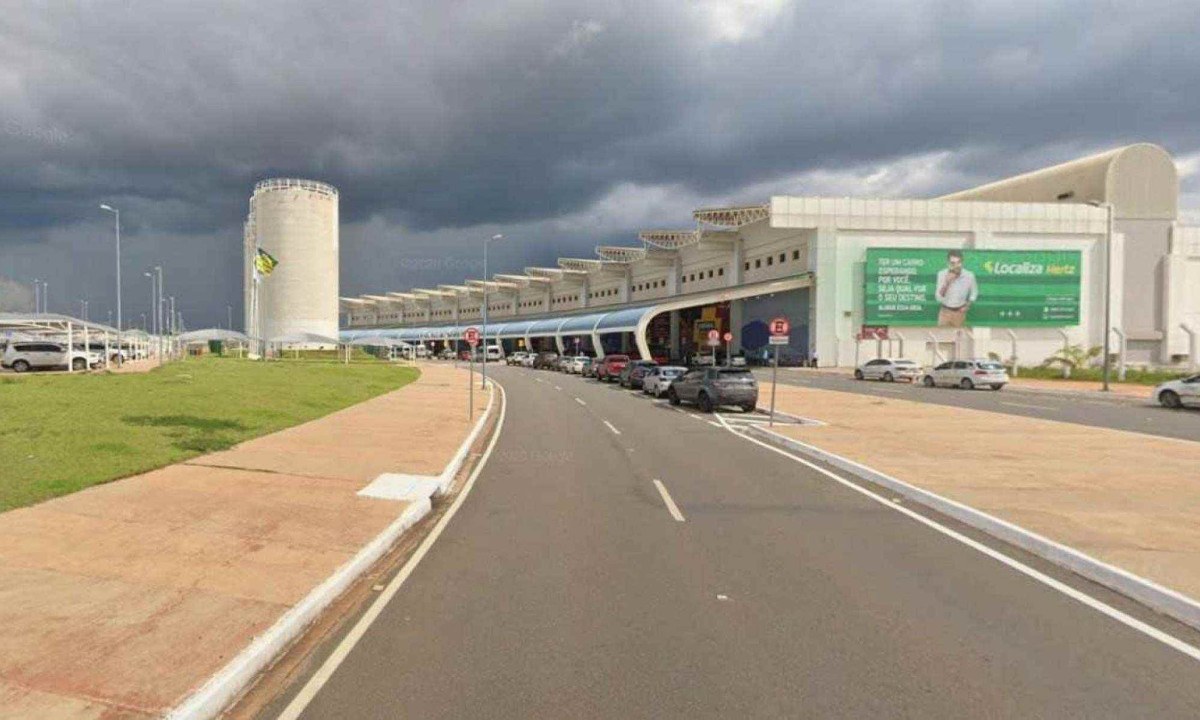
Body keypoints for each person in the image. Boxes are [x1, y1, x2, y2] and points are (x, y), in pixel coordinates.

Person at [935, 249, 978, 327]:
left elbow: (974, 292)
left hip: (960, 313)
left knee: (958, 338)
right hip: (945, 312)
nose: (956, 265)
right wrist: (947, 283)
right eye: (953, 263)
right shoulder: (941, 274)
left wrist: (967, 305)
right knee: (942, 338)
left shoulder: (969, 275)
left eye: (958, 262)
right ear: (948, 263)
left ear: (962, 262)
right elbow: (938, 298)